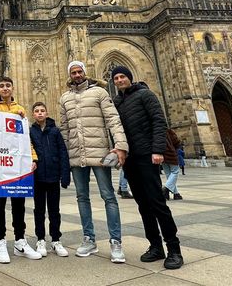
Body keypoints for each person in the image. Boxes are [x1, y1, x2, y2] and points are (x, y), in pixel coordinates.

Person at [111, 66, 183, 270]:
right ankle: (155, 246)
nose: (119, 80)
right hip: (130, 158)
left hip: (147, 156)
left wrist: (158, 150)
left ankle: (174, 250)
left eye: (122, 76)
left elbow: (159, 122)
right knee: (143, 204)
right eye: (115, 78)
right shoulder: (117, 101)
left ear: (130, 78)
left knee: (157, 203)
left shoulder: (145, 95)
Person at [58, 61, 128, 263]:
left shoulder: (99, 92)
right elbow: (65, 130)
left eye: (80, 71)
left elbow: (113, 119)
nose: (77, 75)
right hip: (77, 155)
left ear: (85, 73)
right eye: (74, 72)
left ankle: (116, 242)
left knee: (108, 196)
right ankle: (89, 239)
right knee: (82, 197)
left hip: (99, 154)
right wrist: (64, 157)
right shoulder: (65, 98)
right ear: (70, 75)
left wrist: (121, 145)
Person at [0, 76, 42, 263]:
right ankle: (0, 241)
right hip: (0, 162)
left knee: (19, 203)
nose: (5, 89)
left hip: (17, 162)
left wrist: (32, 157)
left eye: (8, 86)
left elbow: (24, 136)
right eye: (1, 86)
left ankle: (20, 240)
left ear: (12, 88)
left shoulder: (20, 109)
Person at [30, 101, 71, 257]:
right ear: (33, 114)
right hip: (38, 177)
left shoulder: (55, 131)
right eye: (37, 111)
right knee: (39, 210)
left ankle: (55, 240)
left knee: (54, 210)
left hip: (53, 176)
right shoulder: (30, 132)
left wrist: (65, 175)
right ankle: (40, 239)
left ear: (46, 113)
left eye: (42, 110)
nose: (40, 113)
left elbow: (62, 153)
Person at [161, 130, 183, 201]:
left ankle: (176, 194)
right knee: (175, 172)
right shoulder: (169, 131)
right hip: (171, 155)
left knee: (169, 175)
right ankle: (166, 189)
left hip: (162, 155)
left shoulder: (156, 132)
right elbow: (176, 142)